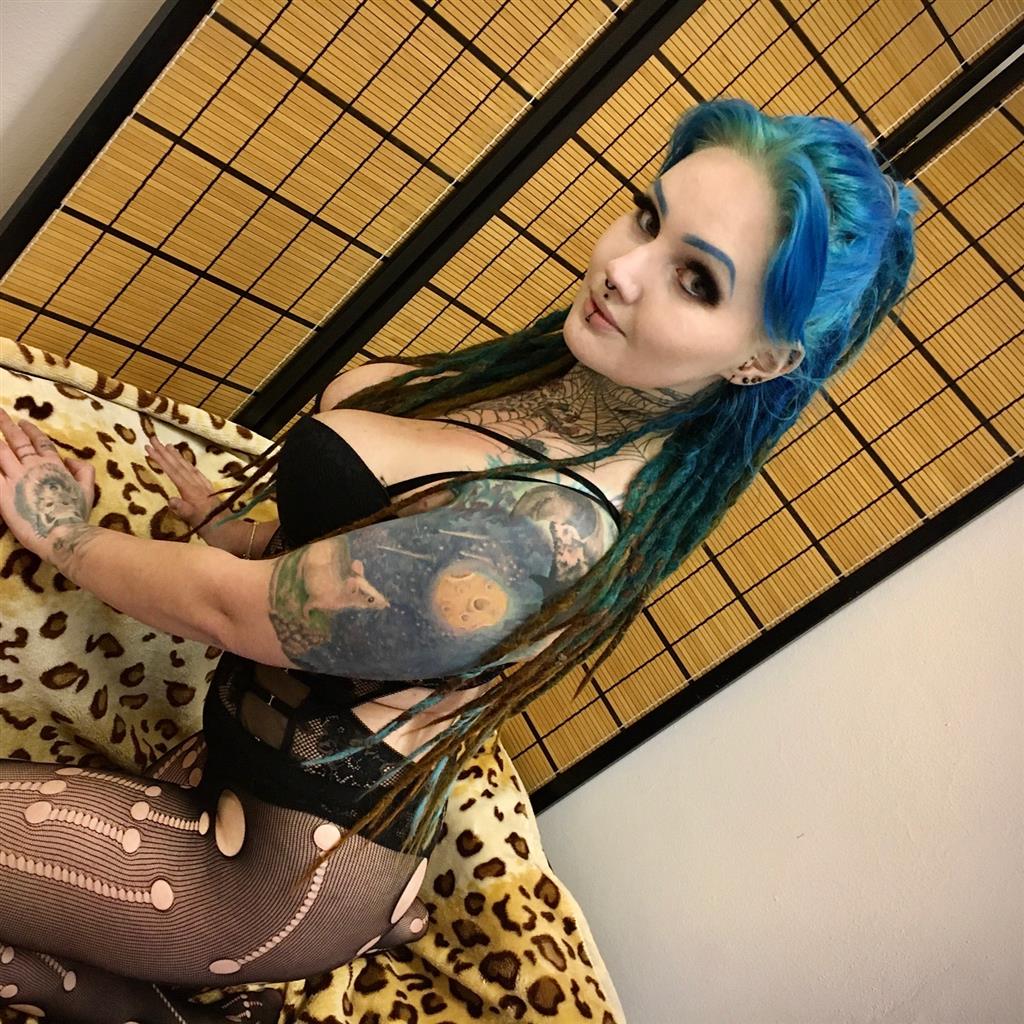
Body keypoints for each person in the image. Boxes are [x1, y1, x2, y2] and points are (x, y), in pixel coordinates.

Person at [0, 97, 917, 1023]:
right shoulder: (558, 386)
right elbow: (358, 569)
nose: (624, 269)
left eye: (696, 279)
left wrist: (61, 530)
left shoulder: (535, 537)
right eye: (648, 216)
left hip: (271, 874)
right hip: (253, 766)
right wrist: (234, 527)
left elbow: (234, 610)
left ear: (761, 361)